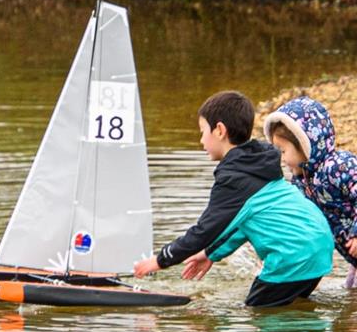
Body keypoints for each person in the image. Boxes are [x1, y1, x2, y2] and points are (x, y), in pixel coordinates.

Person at [133, 90, 334, 307]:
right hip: (318, 245)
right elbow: (244, 224)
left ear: (219, 130)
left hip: (293, 255)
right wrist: (211, 254)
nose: (201, 140)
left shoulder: (234, 177)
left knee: (258, 313)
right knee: (293, 309)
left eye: (202, 132)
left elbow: (204, 231)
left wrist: (160, 260)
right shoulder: (257, 165)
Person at [264, 96, 357, 288]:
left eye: (283, 151)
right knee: (354, 289)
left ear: (305, 146)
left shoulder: (338, 166)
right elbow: (300, 217)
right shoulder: (303, 180)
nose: (282, 159)